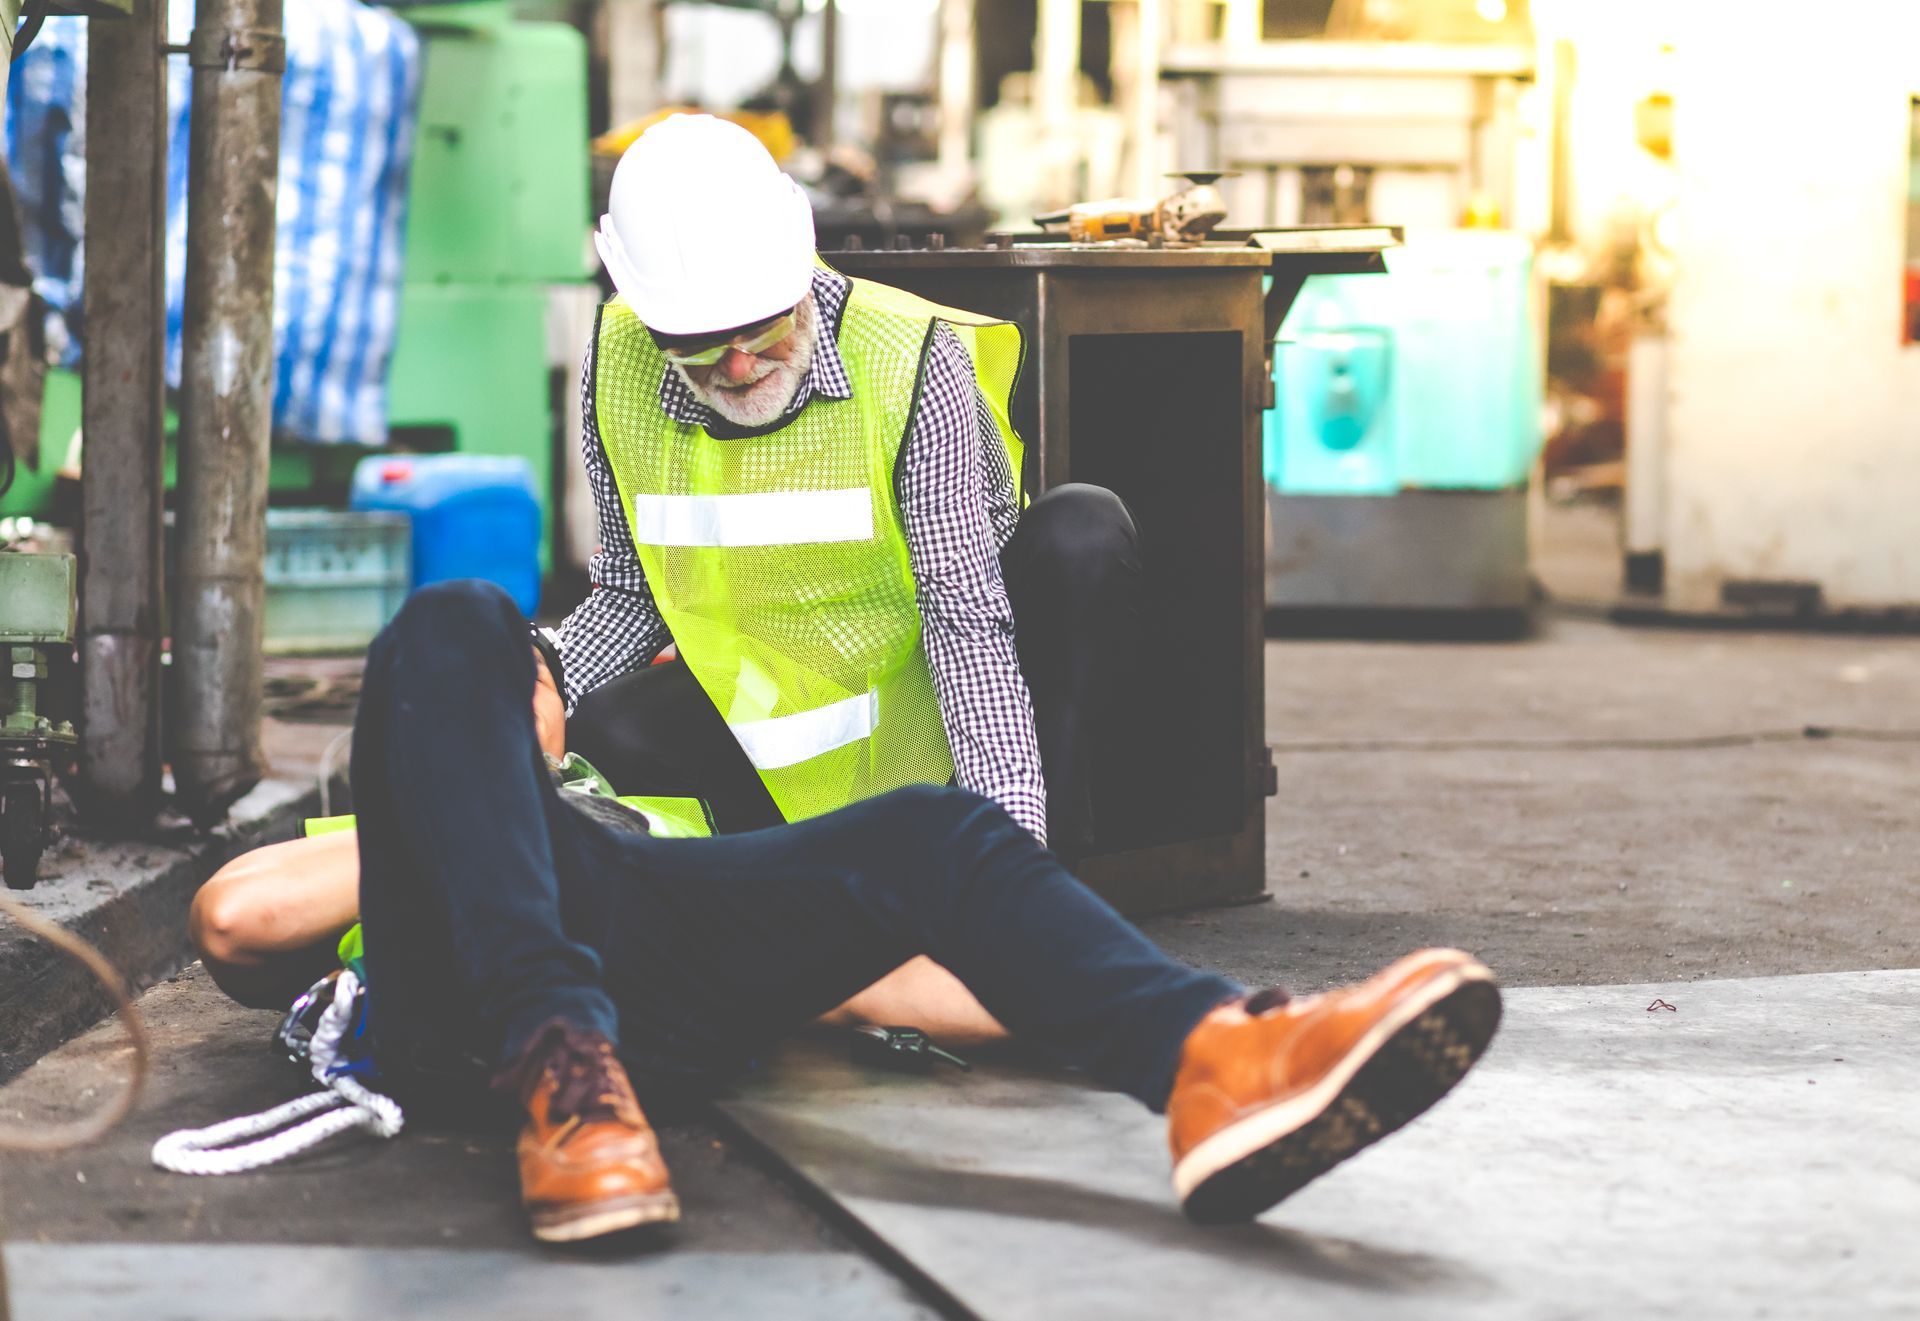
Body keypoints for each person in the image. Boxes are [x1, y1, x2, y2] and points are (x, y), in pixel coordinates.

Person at [195, 580, 1502, 1244]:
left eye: (538, 681)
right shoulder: (400, 822)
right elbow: (237, 922)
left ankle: (1219, 1064)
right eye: (506, 687)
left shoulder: (659, 837)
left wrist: (1052, 992)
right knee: (453, 612)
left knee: (933, 827)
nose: (522, 687)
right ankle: (562, 1069)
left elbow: (888, 981)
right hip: (461, 1010)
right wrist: (470, 805)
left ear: (567, 713)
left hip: (657, 981)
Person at [559, 113, 1143, 855]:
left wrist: (1011, 863)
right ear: (646, 318)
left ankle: (1053, 864)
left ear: (800, 271)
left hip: (933, 693)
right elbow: (628, 593)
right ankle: (767, 865)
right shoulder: (618, 364)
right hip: (780, 708)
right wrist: (534, 684)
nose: (738, 367)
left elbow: (964, 620)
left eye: (761, 329)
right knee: (607, 725)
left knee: (1083, 530)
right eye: (699, 344)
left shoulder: (911, 363)